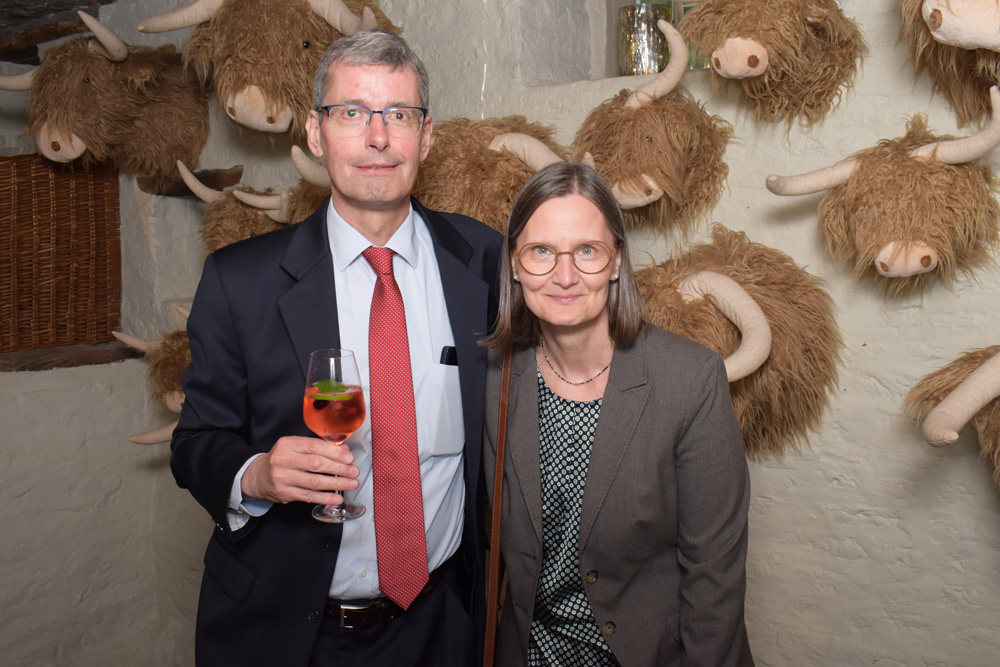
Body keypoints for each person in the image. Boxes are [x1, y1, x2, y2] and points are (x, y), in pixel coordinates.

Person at [171, 29, 502, 666]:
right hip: (289, 634)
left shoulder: (482, 260)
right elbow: (195, 444)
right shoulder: (240, 282)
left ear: (425, 136)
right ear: (316, 133)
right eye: (351, 112)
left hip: (441, 625)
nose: (378, 138)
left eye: (398, 115)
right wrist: (256, 474)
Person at [482, 162, 754, 666]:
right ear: (515, 264)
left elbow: (714, 575)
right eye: (542, 251)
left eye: (587, 250)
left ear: (616, 262)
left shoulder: (690, 380)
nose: (565, 275)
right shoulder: (494, 377)